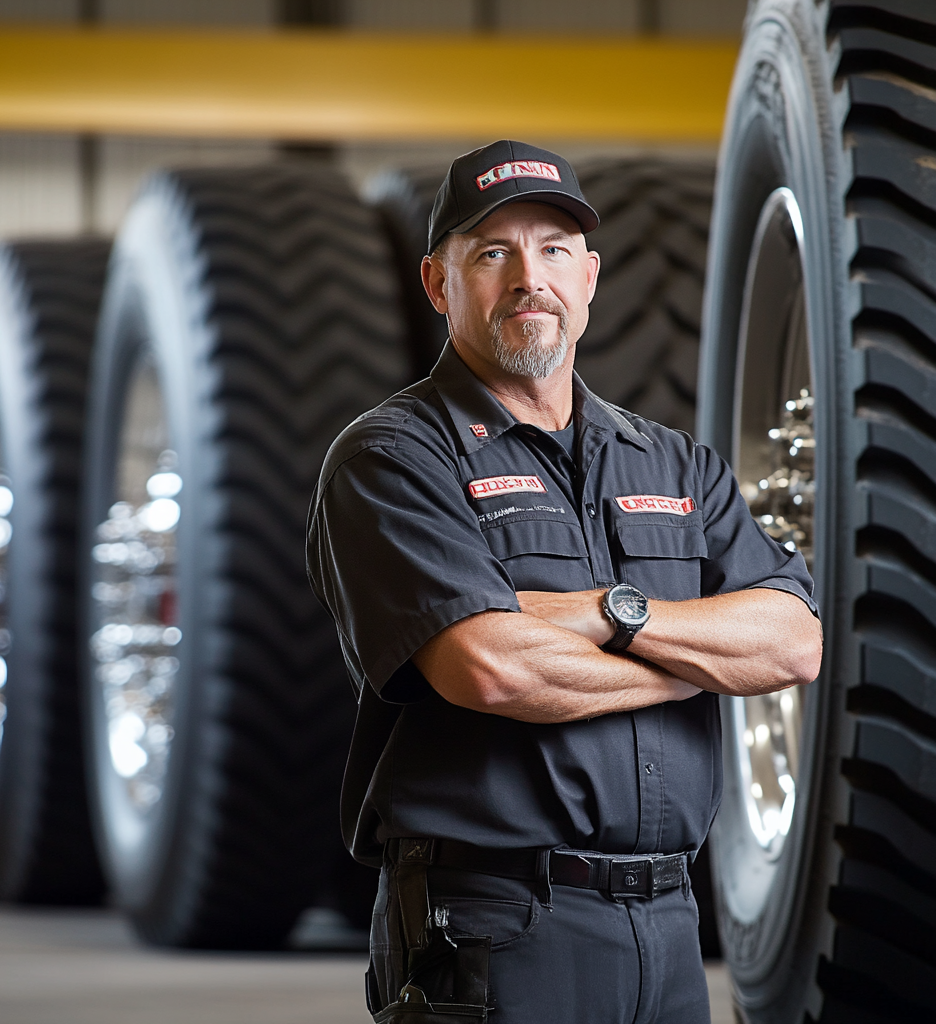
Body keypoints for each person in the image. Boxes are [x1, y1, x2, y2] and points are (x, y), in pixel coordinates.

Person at [307, 140, 822, 1024]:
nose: (527, 279)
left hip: (667, 926)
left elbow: (794, 642)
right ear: (439, 284)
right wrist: (697, 659)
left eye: (551, 250)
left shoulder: (670, 461)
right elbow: (492, 671)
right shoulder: (393, 458)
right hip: (495, 926)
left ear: (588, 277)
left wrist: (603, 614)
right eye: (492, 253)